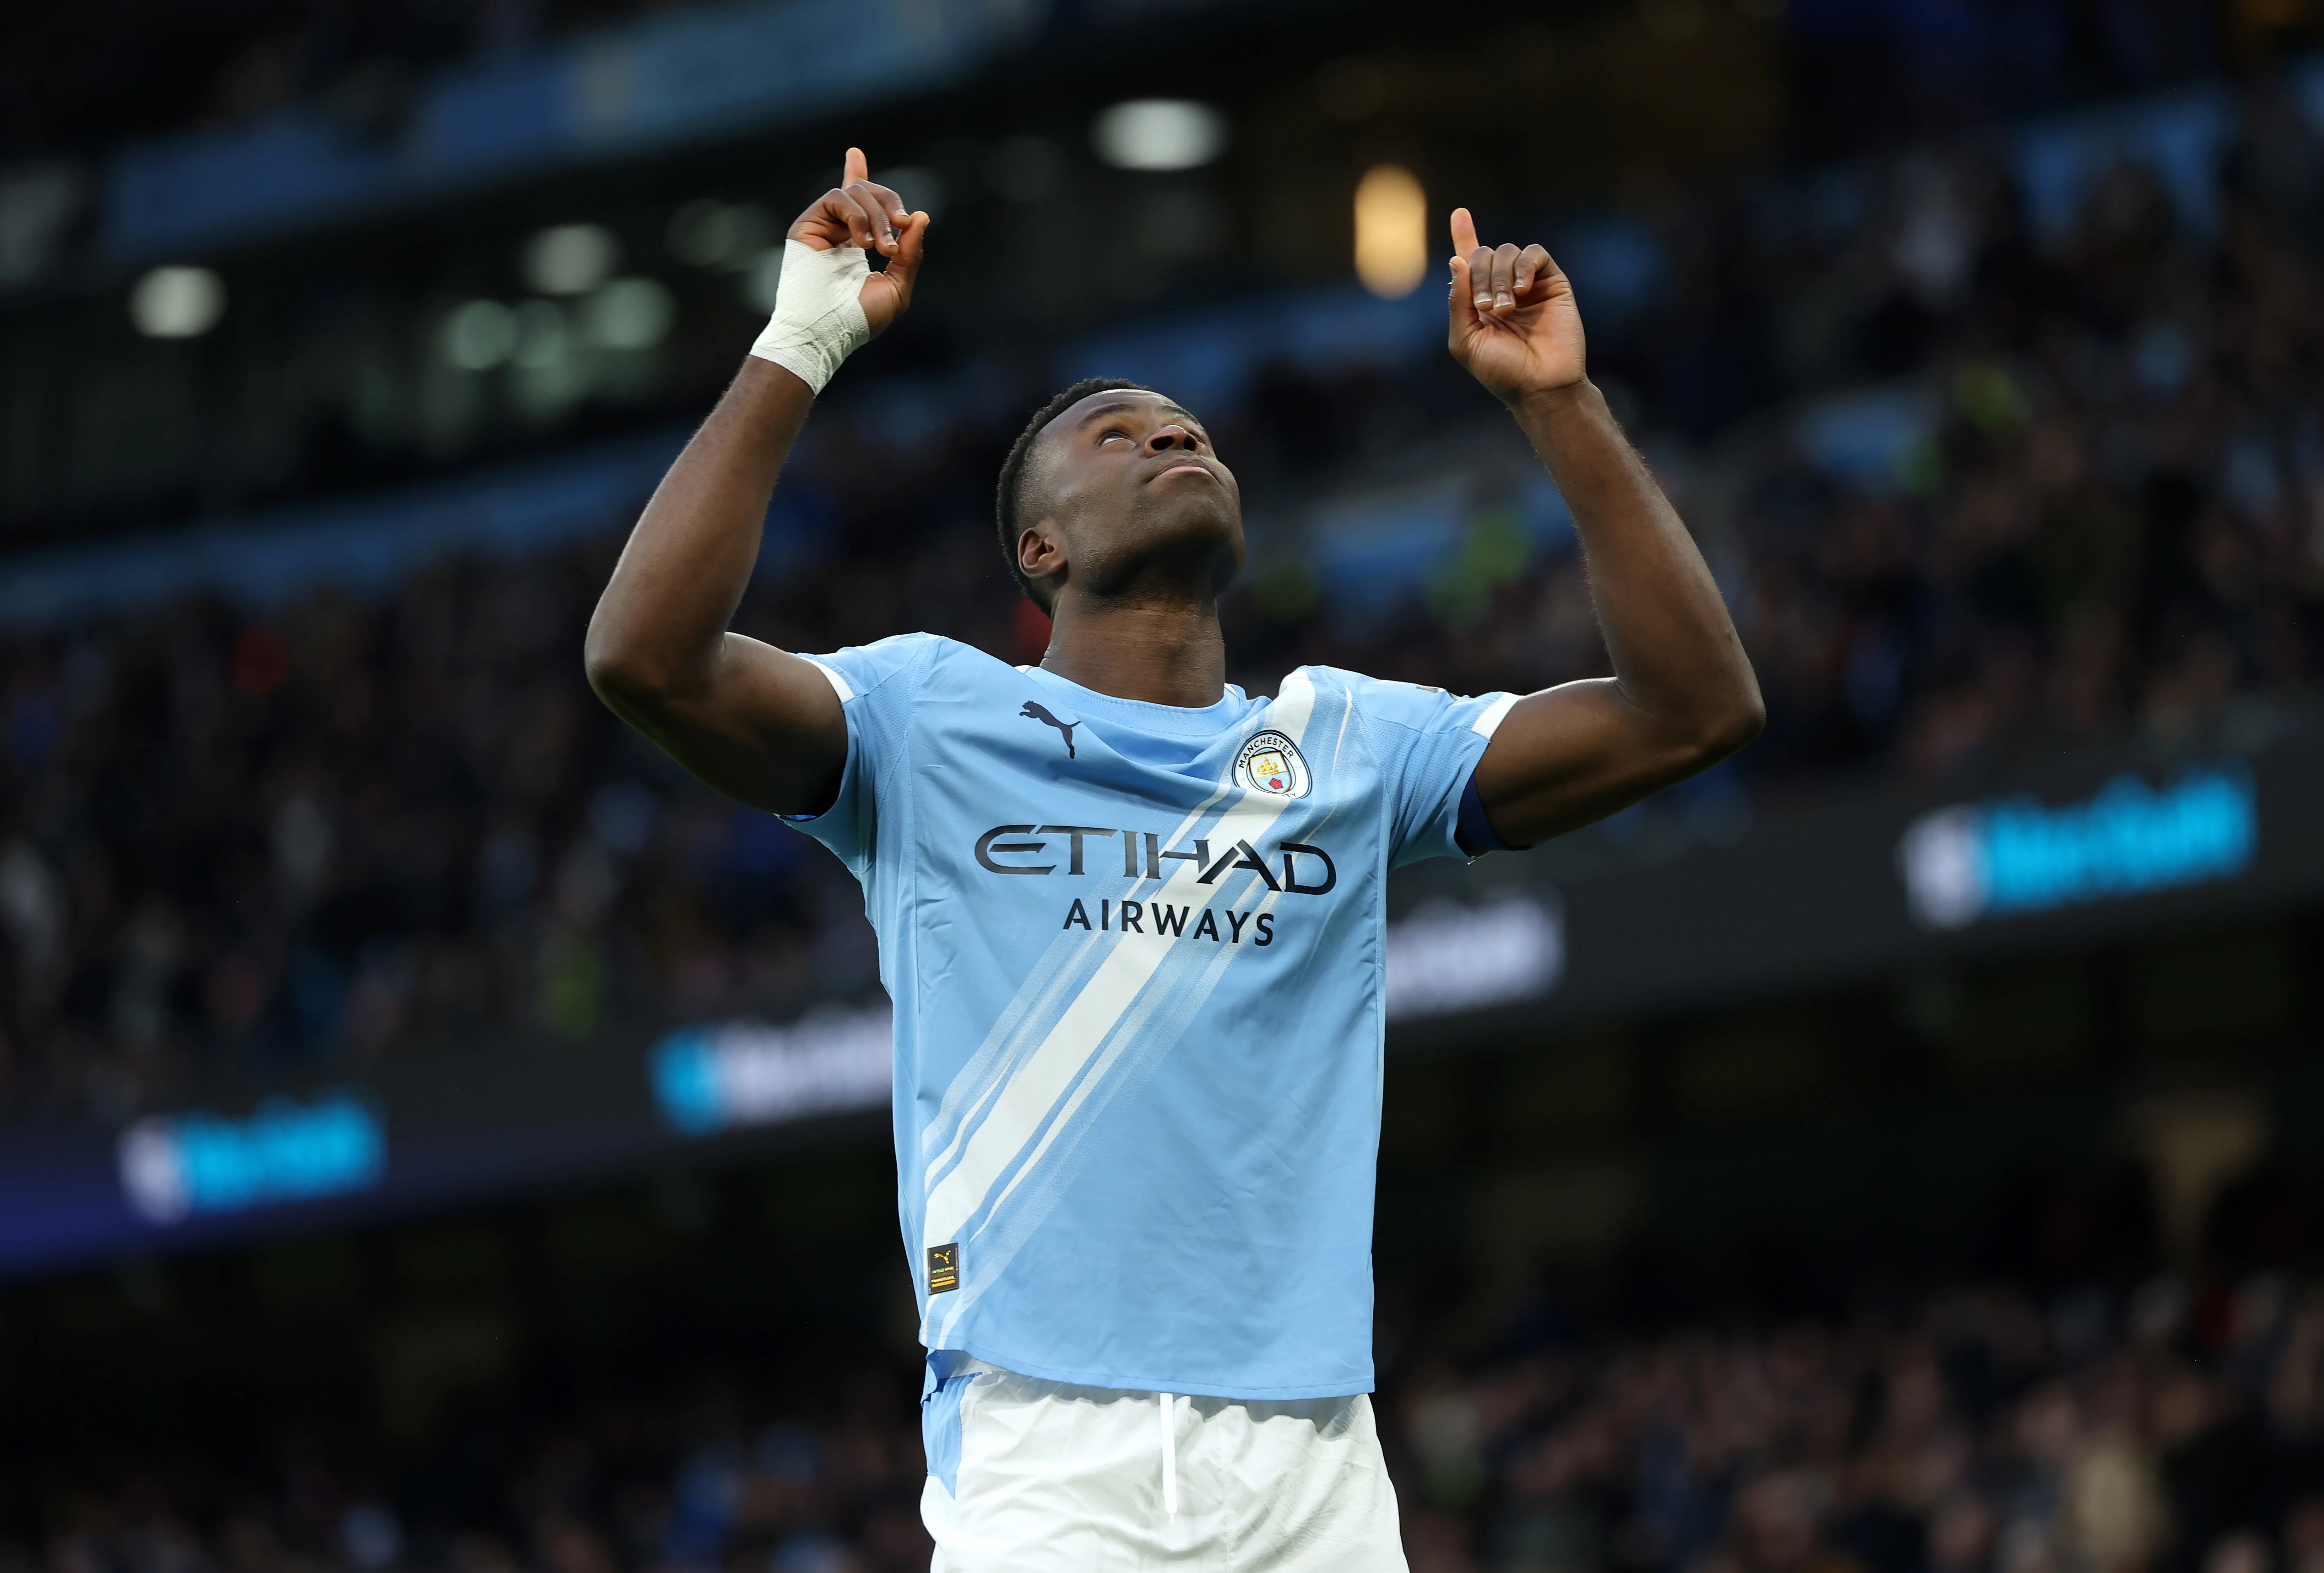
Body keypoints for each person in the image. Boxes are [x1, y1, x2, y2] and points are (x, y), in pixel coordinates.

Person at [585, 149, 1763, 1570]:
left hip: (1315, 1464)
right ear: (1042, 548)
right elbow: (643, 658)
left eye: (1187, 427)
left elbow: (1696, 711)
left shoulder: (1350, 743)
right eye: (1119, 439)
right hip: (1048, 1456)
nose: (1170, 438)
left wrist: (1560, 404)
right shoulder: (922, 716)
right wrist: (805, 339)